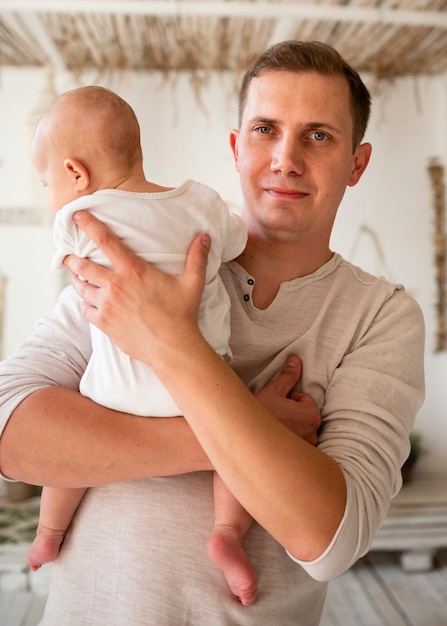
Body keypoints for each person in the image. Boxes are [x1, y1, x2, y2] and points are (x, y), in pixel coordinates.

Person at [0, 41, 424, 626]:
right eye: (265, 129)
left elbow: (329, 537)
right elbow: (11, 435)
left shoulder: (381, 315)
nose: (285, 158)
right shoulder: (140, 261)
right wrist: (249, 429)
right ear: (236, 146)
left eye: (319, 135)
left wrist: (171, 346)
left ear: (357, 162)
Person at [24, 84, 265, 605]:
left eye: (47, 183)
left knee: (72, 457)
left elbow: (67, 269)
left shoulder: (78, 218)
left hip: (115, 395)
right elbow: (238, 242)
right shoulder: (200, 201)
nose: (50, 197)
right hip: (201, 390)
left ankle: (47, 534)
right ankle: (226, 535)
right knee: (234, 453)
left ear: (74, 174)